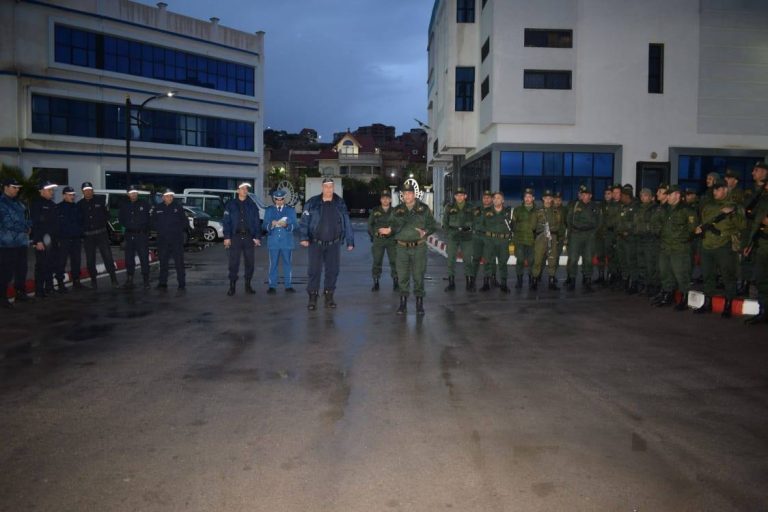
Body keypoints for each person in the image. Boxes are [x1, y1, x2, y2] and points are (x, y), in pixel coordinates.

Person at [694, 178, 746, 317]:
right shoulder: (708, 206)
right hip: (707, 245)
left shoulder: (735, 206)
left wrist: (732, 213)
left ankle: (728, 305)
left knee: (728, 276)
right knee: (708, 275)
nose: (715, 191)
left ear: (725, 189)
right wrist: (699, 229)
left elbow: (743, 225)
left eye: (718, 189)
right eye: (714, 189)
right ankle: (708, 302)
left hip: (724, 246)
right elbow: (704, 223)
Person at [299, 177, 354, 310]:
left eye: (331, 187)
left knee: (333, 271)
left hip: (333, 244)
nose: (328, 189)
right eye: (326, 187)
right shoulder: (312, 202)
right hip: (315, 243)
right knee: (314, 271)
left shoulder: (339, 203)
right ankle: (313, 297)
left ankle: (329, 296)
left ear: (333, 188)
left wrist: (350, 241)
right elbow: (304, 221)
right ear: (322, 188)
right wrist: (303, 237)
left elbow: (346, 221)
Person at [386, 183, 436, 314]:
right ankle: (403, 303)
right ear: (402, 195)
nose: (407, 196)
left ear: (414, 194)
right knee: (402, 275)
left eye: (409, 193)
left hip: (419, 247)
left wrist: (425, 231)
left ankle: (419, 304)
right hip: (401, 247)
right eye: (404, 194)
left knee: (418, 275)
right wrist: (389, 230)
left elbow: (433, 225)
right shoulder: (397, 210)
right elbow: (391, 225)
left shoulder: (424, 209)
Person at [652, 185, 697, 309]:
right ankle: (668, 296)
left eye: (669, 194)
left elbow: (692, 229)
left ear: (677, 195)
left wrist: (680, 238)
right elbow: (656, 223)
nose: (667, 197)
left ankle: (684, 299)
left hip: (679, 248)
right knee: (665, 273)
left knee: (681, 274)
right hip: (665, 246)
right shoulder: (664, 209)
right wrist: (659, 232)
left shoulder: (686, 210)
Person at [223, 182, 262, 296]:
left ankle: (248, 285)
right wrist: (227, 237)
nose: (245, 190)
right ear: (237, 191)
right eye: (242, 188)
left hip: (249, 237)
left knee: (250, 262)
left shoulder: (252, 205)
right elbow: (226, 221)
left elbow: (256, 221)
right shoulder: (230, 204)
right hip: (235, 237)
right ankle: (232, 286)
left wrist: (257, 237)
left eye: (246, 189)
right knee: (233, 262)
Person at [78, 181, 118, 288]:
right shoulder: (79, 205)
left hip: (101, 234)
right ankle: (93, 281)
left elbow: (107, 215)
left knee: (108, 257)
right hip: (88, 236)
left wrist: (101, 222)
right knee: (90, 260)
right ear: (82, 191)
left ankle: (114, 279)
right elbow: (79, 221)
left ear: (92, 190)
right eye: (85, 190)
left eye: (89, 190)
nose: (88, 192)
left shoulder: (100, 201)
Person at [0, 178, 32, 308]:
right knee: (6, 272)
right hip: (7, 244)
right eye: (14, 187)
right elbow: (8, 222)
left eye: (18, 188)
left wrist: (29, 225)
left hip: (21, 242)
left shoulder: (19, 203)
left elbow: (27, 217)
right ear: (6, 187)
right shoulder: (2, 203)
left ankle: (20, 293)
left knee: (21, 270)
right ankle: (2, 298)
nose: (17, 190)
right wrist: (25, 228)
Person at [565, 185, 601, 292]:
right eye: (583, 194)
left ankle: (587, 280)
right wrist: (572, 233)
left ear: (590, 196)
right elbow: (568, 220)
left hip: (589, 235)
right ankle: (572, 281)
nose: (584, 196)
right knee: (573, 259)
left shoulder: (595, 206)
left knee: (588, 259)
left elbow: (600, 221)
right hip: (576, 235)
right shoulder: (575, 205)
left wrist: (593, 233)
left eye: (587, 194)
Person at [743, 179, 768, 324]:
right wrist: (750, 244)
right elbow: (752, 218)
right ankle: (764, 311)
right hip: (762, 244)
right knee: (761, 280)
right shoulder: (763, 200)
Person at [152, 189, 187, 290]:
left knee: (179, 262)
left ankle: (181, 283)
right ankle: (162, 282)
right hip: (163, 240)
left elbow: (185, 222)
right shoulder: (158, 208)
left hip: (176, 240)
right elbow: (152, 221)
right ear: (163, 197)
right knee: (163, 262)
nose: (170, 198)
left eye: (171, 196)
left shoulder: (178, 207)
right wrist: (160, 228)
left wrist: (177, 230)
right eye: (167, 196)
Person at [478, 192, 513, 293]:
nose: (496, 200)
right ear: (492, 200)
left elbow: (514, 227)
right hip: (490, 241)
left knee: (503, 263)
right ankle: (486, 284)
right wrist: (485, 240)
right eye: (494, 198)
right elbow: (481, 227)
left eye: (498, 198)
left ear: (503, 200)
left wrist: (509, 240)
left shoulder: (509, 213)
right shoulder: (486, 212)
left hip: (503, 242)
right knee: (487, 262)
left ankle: (504, 284)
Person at [264, 189, 298, 293]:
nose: (279, 201)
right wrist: (271, 224)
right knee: (273, 264)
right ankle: (272, 286)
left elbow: (296, 225)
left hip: (286, 242)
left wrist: (287, 225)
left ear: (284, 199)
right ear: (274, 199)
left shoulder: (290, 210)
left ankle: (288, 286)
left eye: (281, 199)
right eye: (277, 199)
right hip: (273, 242)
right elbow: (264, 225)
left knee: (287, 264)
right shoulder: (269, 210)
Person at [118, 185, 151, 289]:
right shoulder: (124, 205)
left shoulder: (144, 204)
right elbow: (121, 219)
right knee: (129, 258)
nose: (133, 194)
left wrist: (145, 229)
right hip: (129, 235)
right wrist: (128, 227)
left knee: (144, 258)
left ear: (137, 193)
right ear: (128, 194)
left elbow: (149, 219)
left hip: (141, 235)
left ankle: (146, 280)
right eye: (131, 192)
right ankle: (129, 279)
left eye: (135, 192)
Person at [442, 187, 474, 291]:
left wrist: (473, 232)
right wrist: (448, 233)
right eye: (457, 195)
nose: (459, 197)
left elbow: (476, 221)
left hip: (467, 235)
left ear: (465, 196)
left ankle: (469, 283)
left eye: (461, 195)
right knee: (450, 259)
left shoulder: (471, 207)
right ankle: (451, 283)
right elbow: (445, 221)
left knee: (468, 259)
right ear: (455, 196)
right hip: (453, 235)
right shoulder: (449, 207)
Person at [30, 180, 59, 298]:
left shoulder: (52, 204)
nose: (52, 192)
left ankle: (49, 287)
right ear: (41, 191)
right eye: (49, 190)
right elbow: (35, 224)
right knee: (41, 265)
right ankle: (39, 290)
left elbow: (55, 224)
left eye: (52, 190)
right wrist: (37, 241)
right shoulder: (37, 204)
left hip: (52, 241)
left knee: (50, 264)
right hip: (42, 241)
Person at [532, 189, 563, 290]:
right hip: (541, 237)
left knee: (552, 259)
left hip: (552, 238)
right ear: (543, 199)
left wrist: (552, 230)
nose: (548, 200)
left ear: (552, 199)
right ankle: (534, 280)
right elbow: (533, 226)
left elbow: (558, 225)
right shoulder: (537, 211)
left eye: (550, 198)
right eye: (546, 198)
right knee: (538, 259)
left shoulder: (556, 211)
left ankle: (551, 281)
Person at [367, 189, 397, 291]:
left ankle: (396, 282)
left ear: (390, 200)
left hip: (391, 240)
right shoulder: (375, 211)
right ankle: (376, 282)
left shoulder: (395, 211)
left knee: (394, 261)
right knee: (377, 261)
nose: (385, 200)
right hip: (378, 240)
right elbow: (370, 225)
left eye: (387, 198)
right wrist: (374, 235)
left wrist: (391, 231)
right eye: (383, 198)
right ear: (380, 200)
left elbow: (398, 225)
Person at [55, 186, 84, 291]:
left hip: (76, 239)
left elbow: (81, 222)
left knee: (76, 261)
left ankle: (76, 281)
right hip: (64, 239)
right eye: (70, 195)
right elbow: (55, 225)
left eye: (73, 195)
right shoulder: (58, 208)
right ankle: (60, 283)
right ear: (64, 195)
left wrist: (80, 234)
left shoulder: (77, 207)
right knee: (61, 262)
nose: (72, 196)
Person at [467, 190, 494, 291]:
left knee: (487, 260)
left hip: (488, 237)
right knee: (475, 259)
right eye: (484, 198)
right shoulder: (476, 210)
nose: (486, 199)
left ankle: (486, 283)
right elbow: (470, 220)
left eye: (488, 198)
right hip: (477, 237)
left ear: (491, 199)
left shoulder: (494, 211)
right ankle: (472, 281)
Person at [634, 187, 658, 295]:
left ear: (651, 197)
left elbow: (653, 225)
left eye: (645, 195)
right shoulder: (639, 208)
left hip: (650, 240)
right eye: (641, 195)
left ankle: (652, 286)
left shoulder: (654, 209)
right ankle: (644, 284)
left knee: (650, 264)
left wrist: (641, 227)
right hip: (640, 239)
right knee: (641, 263)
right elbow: (635, 223)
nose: (643, 197)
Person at [512, 188, 536, 289]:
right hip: (520, 240)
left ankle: (531, 279)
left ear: (533, 198)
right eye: (526, 197)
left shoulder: (538, 211)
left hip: (532, 240)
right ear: (523, 198)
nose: (527, 198)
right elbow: (513, 225)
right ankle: (519, 280)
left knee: (531, 261)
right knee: (520, 260)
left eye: (529, 197)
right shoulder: (517, 210)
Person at [616, 184, 639, 293]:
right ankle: (625, 280)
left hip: (630, 239)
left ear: (627, 196)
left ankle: (634, 283)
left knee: (631, 261)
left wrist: (627, 230)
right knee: (623, 260)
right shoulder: (622, 206)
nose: (620, 197)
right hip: (621, 238)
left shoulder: (636, 207)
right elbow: (618, 221)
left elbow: (636, 223)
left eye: (622, 195)